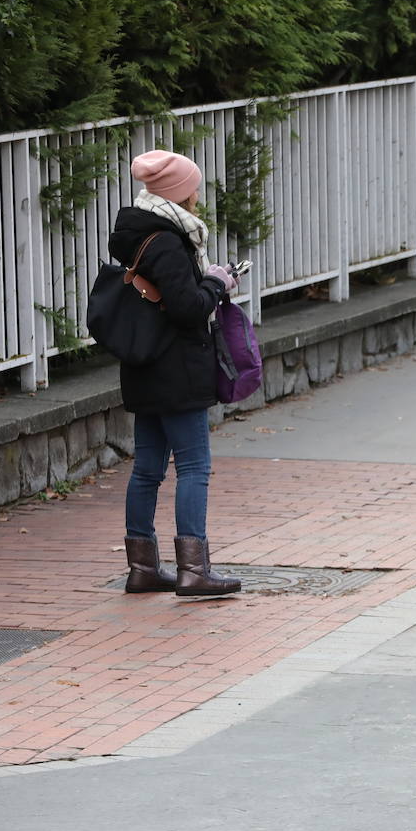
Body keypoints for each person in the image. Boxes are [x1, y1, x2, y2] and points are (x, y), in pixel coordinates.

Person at [114, 150, 242, 598]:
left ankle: (143, 567)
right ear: (179, 193)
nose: (197, 196)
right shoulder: (168, 240)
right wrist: (216, 283)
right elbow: (187, 310)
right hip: (176, 367)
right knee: (194, 466)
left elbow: (169, 294)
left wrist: (200, 278)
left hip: (145, 365)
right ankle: (194, 570)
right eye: (193, 188)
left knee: (147, 468)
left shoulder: (138, 232)